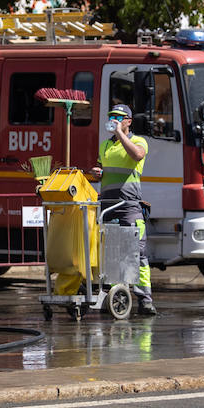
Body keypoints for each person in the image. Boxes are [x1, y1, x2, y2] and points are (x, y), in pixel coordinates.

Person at [88, 103, 156, 316]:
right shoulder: (105, 145)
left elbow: (136, 155)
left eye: (118, 117)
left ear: (128, 120)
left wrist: (119, 133)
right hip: (108, 205)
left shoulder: (138, 140)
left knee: (137, 253)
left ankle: (145, 299)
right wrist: (97, 172)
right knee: (111, 254)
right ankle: (115, 295)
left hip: (129, 205)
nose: (114, 119)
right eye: (111, 116)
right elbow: (102, 167)